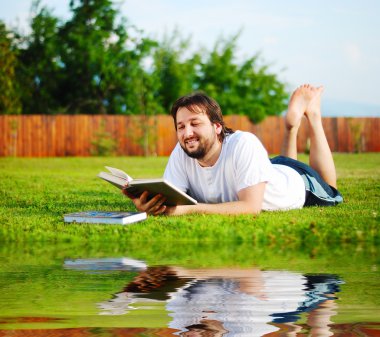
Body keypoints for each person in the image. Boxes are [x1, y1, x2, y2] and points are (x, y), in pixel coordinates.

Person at [123, 84, 343, 215]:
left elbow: (250, 207)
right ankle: (292, 127)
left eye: (195, 123)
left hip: (297, 182)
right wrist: (148, 204)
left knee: (332, 190)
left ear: (217, 127)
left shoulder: (244, 143)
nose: (186, 132)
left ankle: (313, 115)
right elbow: (174, 200)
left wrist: (188, 210)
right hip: (266, 170)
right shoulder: (181, 152)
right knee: (282, 161)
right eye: (180, 126)